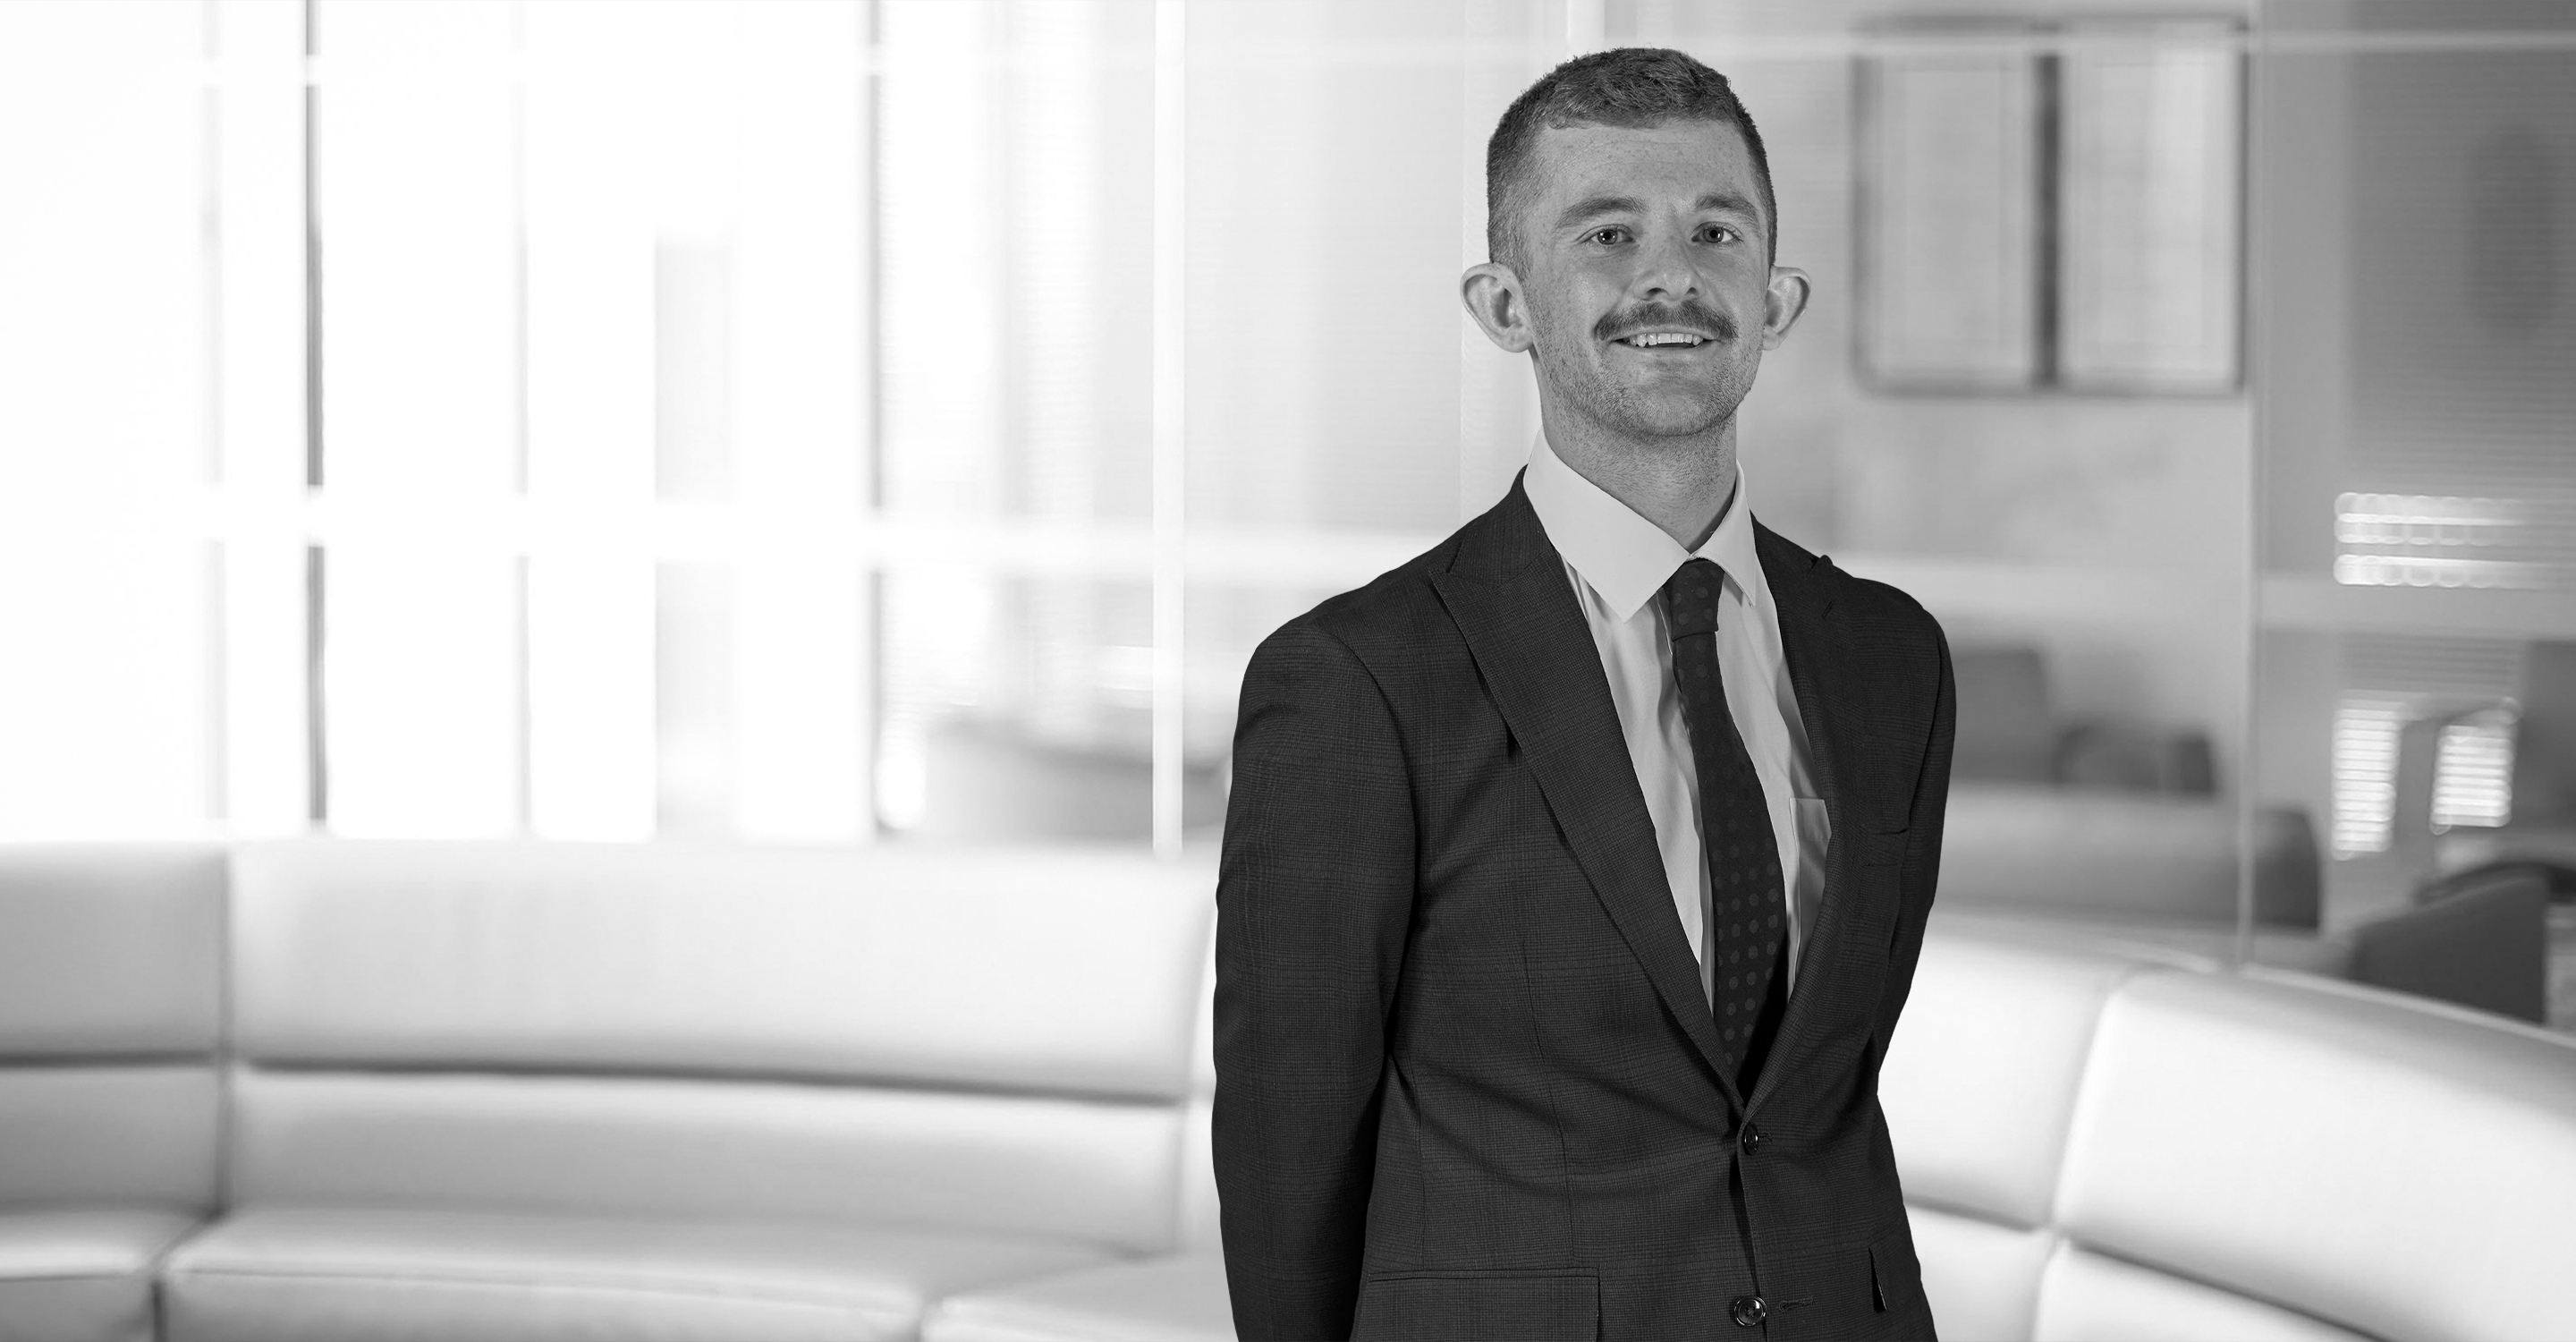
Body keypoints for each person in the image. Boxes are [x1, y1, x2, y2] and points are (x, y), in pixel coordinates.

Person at [1212, 47, 1953, 1340]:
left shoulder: (1890, 659)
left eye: (1717, 232)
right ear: (1505, 305)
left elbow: (1823, 1091)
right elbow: (1290, 1153)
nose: (1673, 275)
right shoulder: (1356, 683)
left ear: (1777, 299)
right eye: (1608, 234)